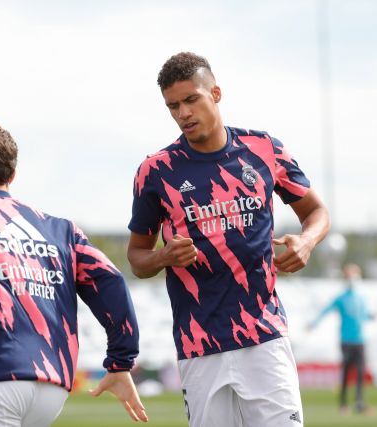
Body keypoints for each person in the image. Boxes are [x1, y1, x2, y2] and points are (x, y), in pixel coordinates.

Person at [127, 52, 330, 426]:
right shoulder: (155, 171)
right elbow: (137, 257)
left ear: (215, 94)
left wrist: (306, 242)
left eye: (192, 100)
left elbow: (317, 213)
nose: (183, 113)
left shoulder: (264, 149)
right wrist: (162, 258)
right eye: (173, 106)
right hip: (198, 346)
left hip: (264, 337)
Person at [0, 117, 148, 426]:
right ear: (12, 175)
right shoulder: (62, 230)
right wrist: (121, 361)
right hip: (53, 386)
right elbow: (111, 281)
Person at [309, 263, 373, 414]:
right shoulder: (341, 298)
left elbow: (364, 315)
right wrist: (313, 323)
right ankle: (343, 404)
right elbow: (326, 310)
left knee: (360, 372)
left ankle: (359, 403)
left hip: (360, 340)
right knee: (346, 372)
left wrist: (372, 315)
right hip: (346, 341)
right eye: (350, 275)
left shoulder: (361, 298)